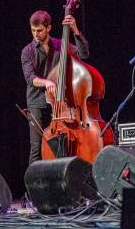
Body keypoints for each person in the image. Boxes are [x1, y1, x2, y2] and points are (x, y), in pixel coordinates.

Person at [20, 10, 89, 164]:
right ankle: (35, 186)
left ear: (49, 28)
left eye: (39, 31)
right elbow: (30, 78)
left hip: (59, 103)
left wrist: (75, 30)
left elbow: (84, 54)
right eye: (33, 30)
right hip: (37, 103)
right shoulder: (27, 51)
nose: (36, 34)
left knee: (61, 147)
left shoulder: (60, 45)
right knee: (36, 148)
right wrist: (46, 82)